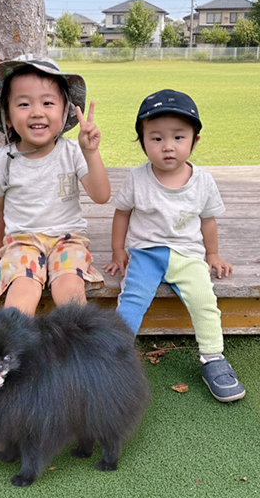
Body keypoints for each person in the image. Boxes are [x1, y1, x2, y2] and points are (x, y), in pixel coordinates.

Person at [103, 89, 245, 402]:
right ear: (142, 142)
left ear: (194, 140)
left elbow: (207, 220)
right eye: (156, 139)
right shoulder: (137, 179)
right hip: (145, 255)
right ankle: (114, 359)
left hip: (188, 255)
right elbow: (122, 213)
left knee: (204, 299)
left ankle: (213, 358)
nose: (168, 146)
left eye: (178, 137)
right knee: (131, 302)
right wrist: (118, 251)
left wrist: (213, 254)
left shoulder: (203, 181)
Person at [0, 54, 111, 316]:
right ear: (7, 117)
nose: (37, 112)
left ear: (64, 112)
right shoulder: (1, 161)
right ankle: (14, 348)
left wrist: (91, 153)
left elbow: (101, 196)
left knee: (69, 286)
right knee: (22, 287)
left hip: (68, 239)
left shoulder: (73, 152)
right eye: (23, 104)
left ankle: (78, 344)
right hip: (22, 241)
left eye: (48, 102)